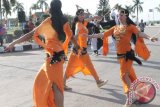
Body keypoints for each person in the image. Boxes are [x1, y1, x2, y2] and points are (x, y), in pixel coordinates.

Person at [5, 0, 79, 107]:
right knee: (43, 81)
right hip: (57, 57)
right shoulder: (64, 21)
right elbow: (71, 36)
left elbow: (31, 34)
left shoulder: (48, 22)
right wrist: (77, 46)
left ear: (51, 8)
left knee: (56, 86)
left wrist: (13, 42)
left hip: (53, 58)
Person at [90, 8, 158, 107]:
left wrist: (150, 37)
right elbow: (103, 34)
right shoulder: (115, 27)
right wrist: (90, 36)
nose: (119, 17)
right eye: (118, 15)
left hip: (127, 56)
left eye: (121, 15)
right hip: (120, 57)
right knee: (131, 77)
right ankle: (140, 92)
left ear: (126, 16)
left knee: (123, 76)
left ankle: (130, 100)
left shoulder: (130, 27)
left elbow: (139, 33)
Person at [63, 9, 107, 90]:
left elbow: (89, 19)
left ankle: (62, 83)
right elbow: (76, 31)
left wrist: (96, 17)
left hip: (77, 49)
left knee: (69, 67)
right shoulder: (78, 24)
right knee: (90, 66)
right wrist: (75, 36)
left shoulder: (83, 22)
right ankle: (98, 81)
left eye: (83, 14)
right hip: (80, 50)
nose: (82, 16)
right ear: (77, 16)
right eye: (80, 14)